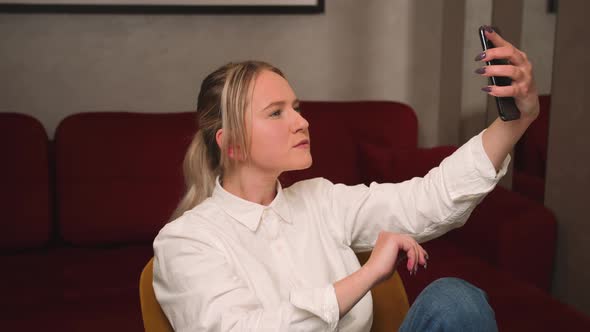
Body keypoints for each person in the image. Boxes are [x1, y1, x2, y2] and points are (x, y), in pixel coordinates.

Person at [152, 26, 539, 331]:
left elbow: (429, 199)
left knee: (455, 300)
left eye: (297, 108)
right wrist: (367, 274)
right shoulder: (186, 241)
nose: (301, 121)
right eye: (276, 113)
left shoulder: (321, 201)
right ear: (231, 144)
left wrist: (517, 119)